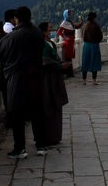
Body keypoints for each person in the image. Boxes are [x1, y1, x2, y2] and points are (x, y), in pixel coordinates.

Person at [0, 5, 44, 160]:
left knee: (17, 113)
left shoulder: (14, 35)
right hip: (36, 75)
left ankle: (20, 148)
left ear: (16, 19)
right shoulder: (37, 32)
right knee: (37, 111)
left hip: (17, 77)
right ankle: (41, 145)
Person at [35, 22, 69, 151]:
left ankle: (55, 136)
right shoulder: (42, 44)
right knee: (48, 105)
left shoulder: (51, 43)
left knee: (56, 106)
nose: (52, 30)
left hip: (55, 78)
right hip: (47, 80)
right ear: (44, 31)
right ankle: (47, 136)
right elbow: (45, 62)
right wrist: (60, 66)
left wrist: (61, 64)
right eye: (49, 29)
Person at [80, 12, 104, 85]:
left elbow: (82, 35)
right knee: (94, 62)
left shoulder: (84, 26)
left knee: (85, 61)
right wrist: (98, 40)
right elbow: (100, 36)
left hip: (86, 46)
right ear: (94, 18)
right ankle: (94, 80)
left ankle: (84, 80)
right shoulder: (96, 26)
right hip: (94, 45)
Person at [57, 9, 81, 78]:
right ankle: (69, 73)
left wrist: (81, 22)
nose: (70, 15)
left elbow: (76, 27)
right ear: (66, 15)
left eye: (70, 13)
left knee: (70, 57)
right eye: (69, 14)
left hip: (71, 41)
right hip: (68, 42)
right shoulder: (64, 23)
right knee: (68, 57)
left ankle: (70, 73)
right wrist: (65, 37)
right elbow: (59, 32)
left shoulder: (70, 22)